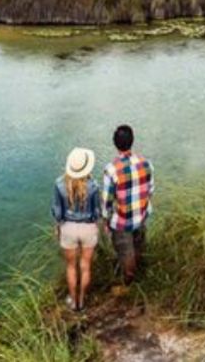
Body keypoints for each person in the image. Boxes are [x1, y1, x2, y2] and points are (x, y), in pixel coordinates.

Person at [102, 125, 154, 287]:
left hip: (122, 222)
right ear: (132, 141)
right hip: (142, 215)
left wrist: (105, 221)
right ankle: (140, 276)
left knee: (126, 254)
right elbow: (150, 189)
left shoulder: (111, 170)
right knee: (138, 248)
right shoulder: (146, 164)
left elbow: (107, 201)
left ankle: (129, 285)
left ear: (115, 144)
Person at [52, 147, 102, 311]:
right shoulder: (94, 185)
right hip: (88, 228)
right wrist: (96, 225)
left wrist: (58, 226)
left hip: (68, 228)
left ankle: (74, 303)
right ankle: (82, 301)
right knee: (85, 266)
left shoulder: (59, 184)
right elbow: (97, 212)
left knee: (71, 267)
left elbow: (57, 212)